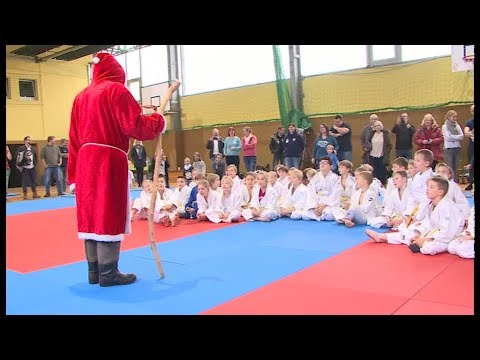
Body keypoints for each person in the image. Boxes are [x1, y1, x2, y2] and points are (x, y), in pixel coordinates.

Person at [68, 52, 171, 287]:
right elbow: (133, 125)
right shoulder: (116, 91)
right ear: (117, 72)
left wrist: (73, 174)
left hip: (84, 161)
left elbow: (73, 138)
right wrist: (158, 121)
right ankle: (108, 273)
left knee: (91, 215)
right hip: (108, 160)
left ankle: (94, 271)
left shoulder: (80, 97)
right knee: (108, 212)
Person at [15, 136, 40, 200]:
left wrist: (35, 164)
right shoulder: (21, 148)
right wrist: (19, 164)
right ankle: (25, 194)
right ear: (25, 141)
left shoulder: (33, 148)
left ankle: (34, 193)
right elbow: (17, 156)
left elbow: (36, 157)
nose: (29, 141)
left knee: (33, 180)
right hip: (24, 167)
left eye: (30, 140)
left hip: (32, 167)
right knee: (24, 181)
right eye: (28, 140)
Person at [463, 105, 474, 190]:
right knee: (471, 164)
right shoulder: (469, 122)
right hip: (472, 146)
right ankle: (471, 182)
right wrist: (471, 133)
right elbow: (466, 133)